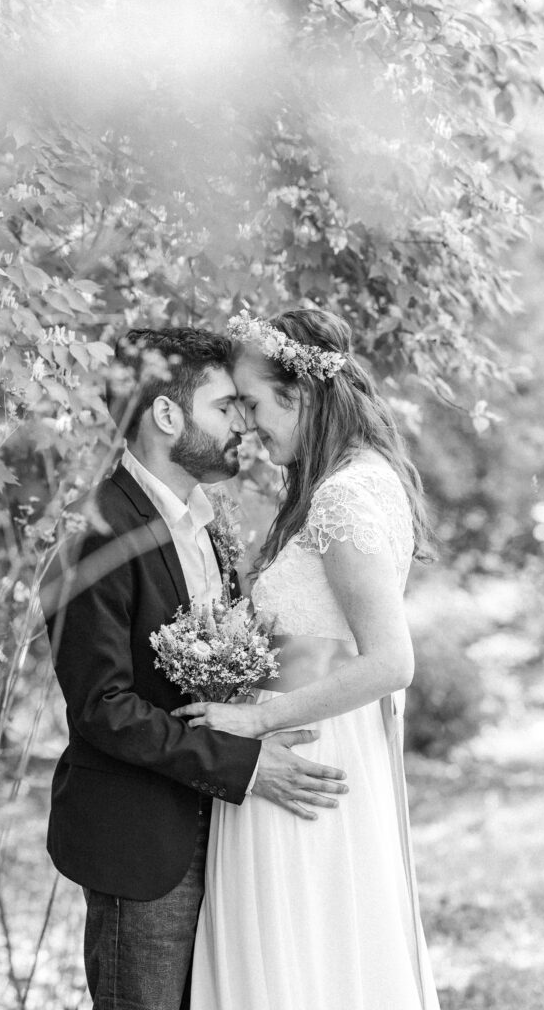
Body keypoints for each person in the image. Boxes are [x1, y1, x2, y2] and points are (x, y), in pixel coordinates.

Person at [41, 327, 348, 1010]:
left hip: (230, 838)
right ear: (166, 415)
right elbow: (102, 708)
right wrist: (244, 763)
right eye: (225, 407)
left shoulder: (206, 523)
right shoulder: (95, 531)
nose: (243, 424)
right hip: (144, 840)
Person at [173, 309, 442, 1010]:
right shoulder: (350, 480)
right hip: (313, 745)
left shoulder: (345, 496)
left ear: (299, 394)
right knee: (309, 952)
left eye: (253, 403)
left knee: (296, 952)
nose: (246, 425)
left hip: (303, 751)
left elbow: (390, 661)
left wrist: (254, 719)